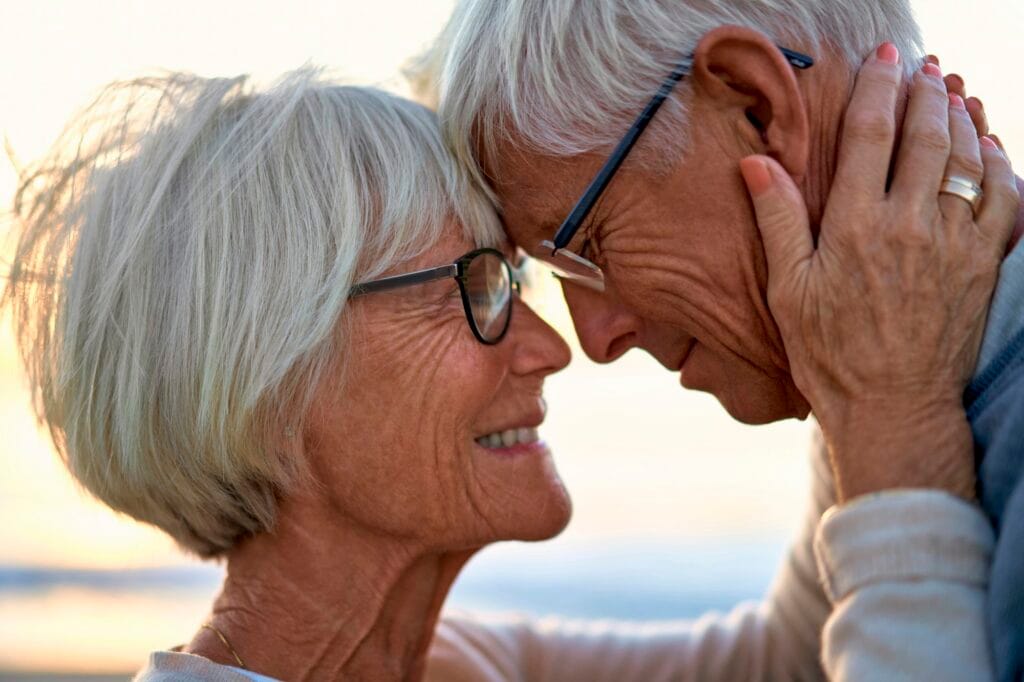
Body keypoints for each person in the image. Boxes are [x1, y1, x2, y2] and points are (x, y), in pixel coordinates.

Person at [1, 60, 1010, 682]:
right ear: (266, 385)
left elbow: (786, 661)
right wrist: (886, 403)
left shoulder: (458, 667)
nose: (551, 346)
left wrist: (855, 350)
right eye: (474, 288)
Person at [419, 0, 1024, 679]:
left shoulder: (895, 393)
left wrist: (896, 424)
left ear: (756, 107)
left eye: (585, 246)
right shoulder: (878, 357)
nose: (594, 340)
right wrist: (411, 655)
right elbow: (797, 660)